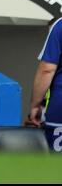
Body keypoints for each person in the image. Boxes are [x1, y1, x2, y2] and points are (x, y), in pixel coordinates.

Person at [29, 17, 62, 151]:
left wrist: (35, 105)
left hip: (59, 112)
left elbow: (47, 69)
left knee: (57, 167)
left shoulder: (60, 25)